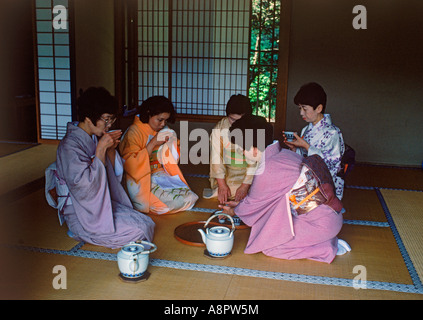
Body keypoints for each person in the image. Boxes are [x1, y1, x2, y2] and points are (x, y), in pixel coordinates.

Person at [219, 114, 351, 264]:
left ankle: (327, 247)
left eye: (242, 149)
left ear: (254, 148)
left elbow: (253, 206)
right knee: (272, 230)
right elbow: (259, 202)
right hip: (329, 215)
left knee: (270, 246)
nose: (242, 153)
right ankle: (323, 239)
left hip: (321, 224)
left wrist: (234, 211)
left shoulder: (267, 170)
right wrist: (241, 207)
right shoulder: (283, 154)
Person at [54, 87, 155, 249]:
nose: (109, 125)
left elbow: (113, 175)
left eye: (111, 120)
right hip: (80, 211)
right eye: (106, 119)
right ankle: (78, 231)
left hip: (98, 205)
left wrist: (110, 150)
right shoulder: (69, 146)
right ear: (89, 117)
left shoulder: (93, 136)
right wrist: (101, 149)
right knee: (138, 231)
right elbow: (84, 187)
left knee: (146, 222)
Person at [119, 96, 198, 215]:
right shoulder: (134, 132)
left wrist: (171, 142)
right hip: (141, 178)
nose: (163, 124)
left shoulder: (163, 128)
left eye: (165, 120)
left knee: (191, 198)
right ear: (148, 114)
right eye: (159, 120)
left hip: (160, 173)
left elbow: (174, 153)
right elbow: (130, 164)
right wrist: (153, 143)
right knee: (167, 205)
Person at [284, 82, 345, 199]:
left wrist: (307, 146)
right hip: (305, 178)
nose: (301, 113)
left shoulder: (333, 133)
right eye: (300, 108)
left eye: (305, 109)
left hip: (324, 185)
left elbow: (331, 164)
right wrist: (295, 149)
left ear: (319, 108)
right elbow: (303, 158)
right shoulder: (305, 129)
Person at [204, 94, 257, 204]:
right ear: (227, 115)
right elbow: (216, 157)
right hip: (227, 173)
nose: (236, 124)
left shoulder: (253, 128)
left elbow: (255, 161)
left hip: (249, 173)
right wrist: (222, 185)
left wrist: (245, 185)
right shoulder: (219, 128)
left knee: (260, 189)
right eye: (232, 119)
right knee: (227, 192)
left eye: (241, 120)